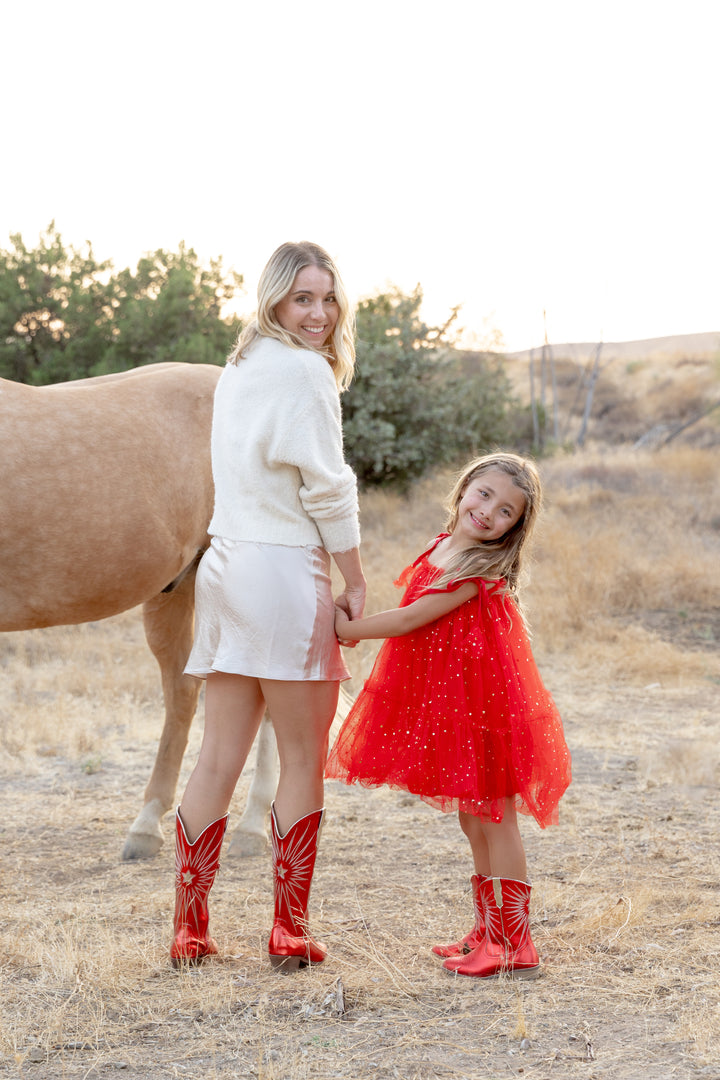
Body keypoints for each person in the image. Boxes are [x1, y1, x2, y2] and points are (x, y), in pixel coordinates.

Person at [171, 241, 366, 973]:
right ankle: (288, 927)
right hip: (286, 569)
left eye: (327, 299)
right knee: (302, 755)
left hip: (224, 565)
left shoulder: (240, 366)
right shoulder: (305, 372)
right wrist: (354, 576)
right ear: (275, 300)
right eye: (302, 300)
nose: (318, 314)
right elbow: (326, 486)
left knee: (217, 752)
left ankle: (189, 929)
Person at [326, 452, 571, 979]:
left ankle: (514, 942)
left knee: (495, 816)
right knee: (472, 816)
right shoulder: (443, 546)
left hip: (487, 708)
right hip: (457, 704)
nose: (488, 512)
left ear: (514, 529)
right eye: (484, 495)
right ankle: (489, 928)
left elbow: (413, 618)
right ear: (464, 489)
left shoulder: (477, 568)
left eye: (506, 511)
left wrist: (347, 631)